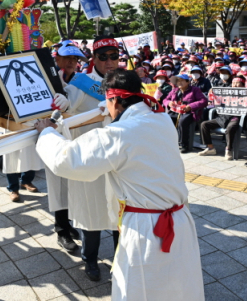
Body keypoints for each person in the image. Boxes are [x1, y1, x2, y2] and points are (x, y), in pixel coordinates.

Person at [34, 69, 204, 301]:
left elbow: (68, 159)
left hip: (146, 229)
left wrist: (47, 134)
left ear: (114, 99)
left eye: (107, 101)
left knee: (141, 290)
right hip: (181, 221)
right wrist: (108, 112)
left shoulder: (119, 134)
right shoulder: (161, 118)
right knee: (179, 287)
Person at [62, 35, 120, 281]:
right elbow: (65, 109)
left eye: (114, 57)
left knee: (120, 211)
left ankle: (120, 259)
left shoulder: (124, 82)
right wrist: (62, 103)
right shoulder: (80, 83)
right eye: (103, 57)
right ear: (93, 58)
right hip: (88, 156)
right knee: (90, 211)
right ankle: (90, 260)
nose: (109, 62)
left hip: (117, 158)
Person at [200, 71, 245, 160]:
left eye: (238, 83)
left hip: (235, 117)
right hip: (223, 117)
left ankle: (228, 149)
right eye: (233, 83)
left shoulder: (246, 93)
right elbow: (215, 102)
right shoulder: (226, 91)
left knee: (230, 128)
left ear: (243, 85)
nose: (235, 85)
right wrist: (213, 94)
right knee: (204, 124)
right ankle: (210, 148)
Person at [163, 74, 207, 153]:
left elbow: (203, 101)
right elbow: (165, 99)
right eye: (178, 81)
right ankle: (170, 142)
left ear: (188, 82)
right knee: (167, 119)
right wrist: (169, 103)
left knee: (182, 121)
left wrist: (190, 106)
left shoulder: (195, 90)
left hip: (189, 112)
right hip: (175, 111)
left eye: (182, 81)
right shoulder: (174, 90)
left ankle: (183, 144)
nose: (179, 83)